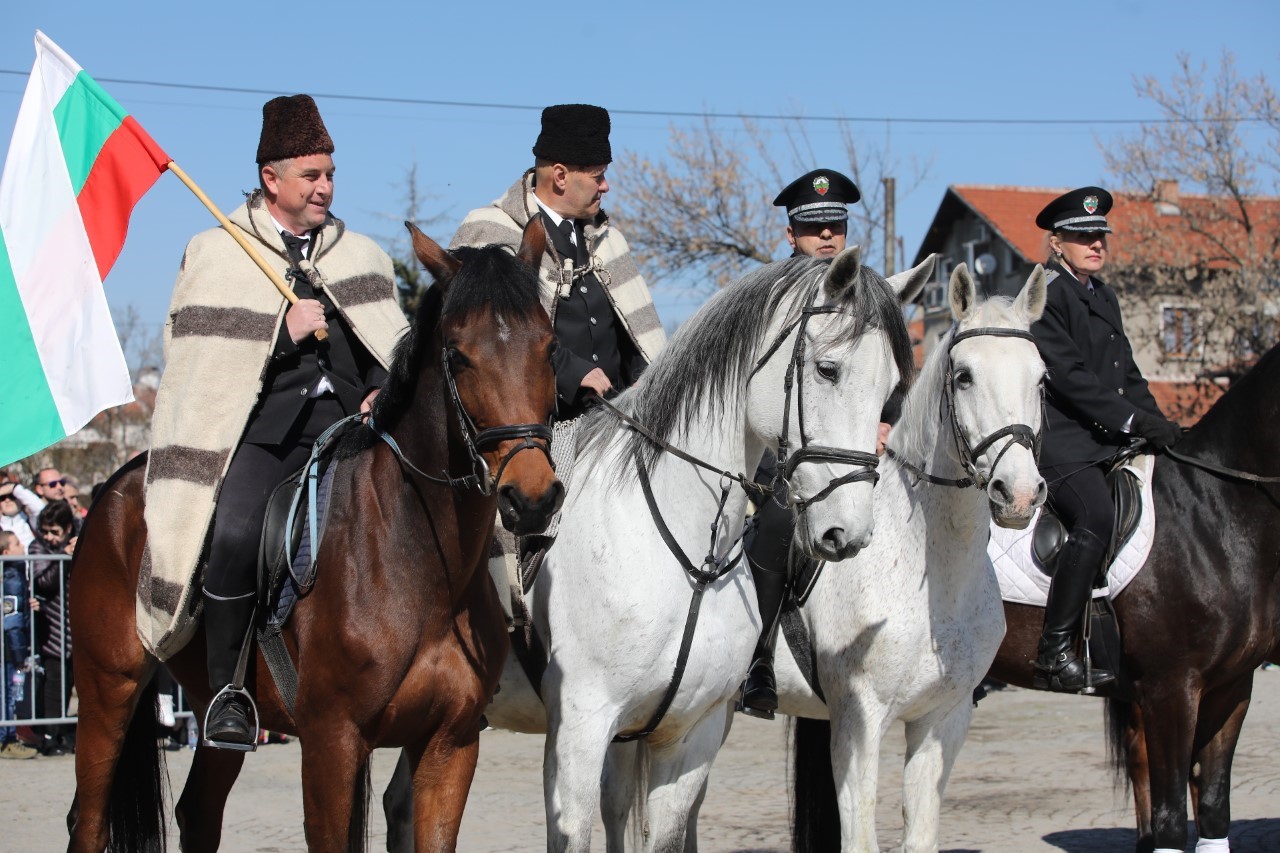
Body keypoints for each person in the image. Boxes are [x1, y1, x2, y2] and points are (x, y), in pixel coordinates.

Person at [145, 94, 407, 747]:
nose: (325, 187)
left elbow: (391, 347)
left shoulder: (361, 254)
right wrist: (282, 336)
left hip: (353, 432)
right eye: (311, 176)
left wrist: (381, 389)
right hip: (264, 435)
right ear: (271, 178)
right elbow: (196, 361)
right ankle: (229, 692)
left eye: (330, 174)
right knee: (234, 534)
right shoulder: (218, 248)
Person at [1029, 186, 1182, 693]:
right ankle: (1053, 650)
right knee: (1095, 516)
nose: (1095, 244)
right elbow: (1070, 377)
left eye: (1099, 236)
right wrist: (1132, 423)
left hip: (1106, 442)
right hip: (1063, 443)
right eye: (1082, 236)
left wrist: (1161, 427)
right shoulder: (1046, 292)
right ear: (1057, 242)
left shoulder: (1102, 294)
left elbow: (1126, 376)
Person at [739, 168, 866, 718]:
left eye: (834, 225)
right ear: (791, 235)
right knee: (775, 524)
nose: (827, 237)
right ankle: (758, 660)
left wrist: (886, 419)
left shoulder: (865, 293)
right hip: (779, 451)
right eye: (814, 228)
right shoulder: (770, 294)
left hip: (854, 446)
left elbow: (880, 371)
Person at [449, 103, 665, 422]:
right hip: (540, 426)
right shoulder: (489, 230)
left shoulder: (608, 240)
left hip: (620, 421)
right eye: (598, 176)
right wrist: (572, 372)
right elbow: (487, 333)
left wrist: (647, 376)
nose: (605, 186)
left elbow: (634, 333)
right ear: (561, 176)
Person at [28, 501, 76, 755]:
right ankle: (49, 735)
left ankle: (66, 734)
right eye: (45, 531)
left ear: (68, 528)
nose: (49, 537)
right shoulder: (37, 547)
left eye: (54, 532)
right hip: (51, 628)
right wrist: (64, 559)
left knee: (70, 684)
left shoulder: (81, 538)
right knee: (54, 684)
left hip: (76, 626)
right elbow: (44, 582)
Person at [1, 531, 38, 759]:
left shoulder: (15, 575)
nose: (21, 545)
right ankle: (6, 738)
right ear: (6, 553)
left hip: (9, 646)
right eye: (16, 543)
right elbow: (12, 622)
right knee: (6, 693)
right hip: (7, 647)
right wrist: (18, 653)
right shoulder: (12, 578)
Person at [0, 480, 43, 552]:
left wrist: (15, 488)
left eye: (12, 496)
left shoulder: (31, 521)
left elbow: (41, 509)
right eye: (2, 498)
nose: (7, 500)